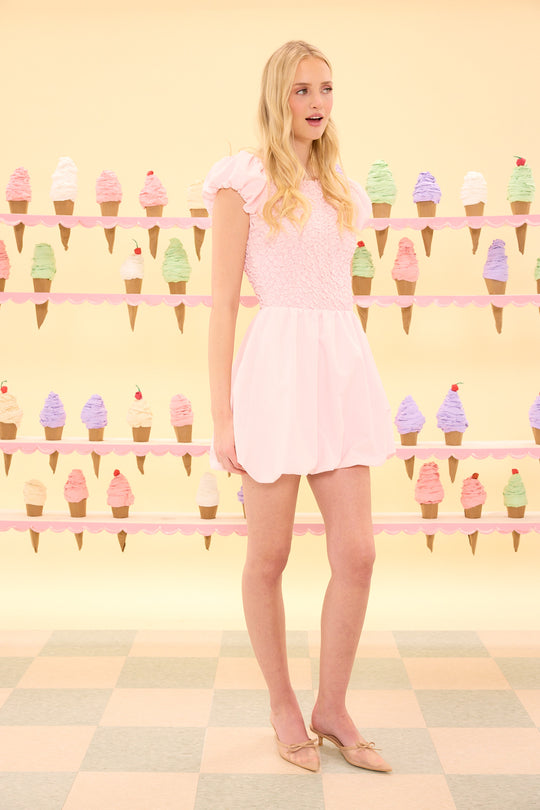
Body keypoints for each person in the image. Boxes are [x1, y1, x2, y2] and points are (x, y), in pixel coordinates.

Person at [203, 40, 394, 773]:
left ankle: (332, 705)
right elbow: (220, 307)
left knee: (358, 553)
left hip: (339, 369)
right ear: (277, 95)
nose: (316, 103)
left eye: (326, 89)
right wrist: (220, 418)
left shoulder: (340, 182)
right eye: (302, 90)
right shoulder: (242, 181)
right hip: (275, 375)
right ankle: (283, 702)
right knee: (270, 554)